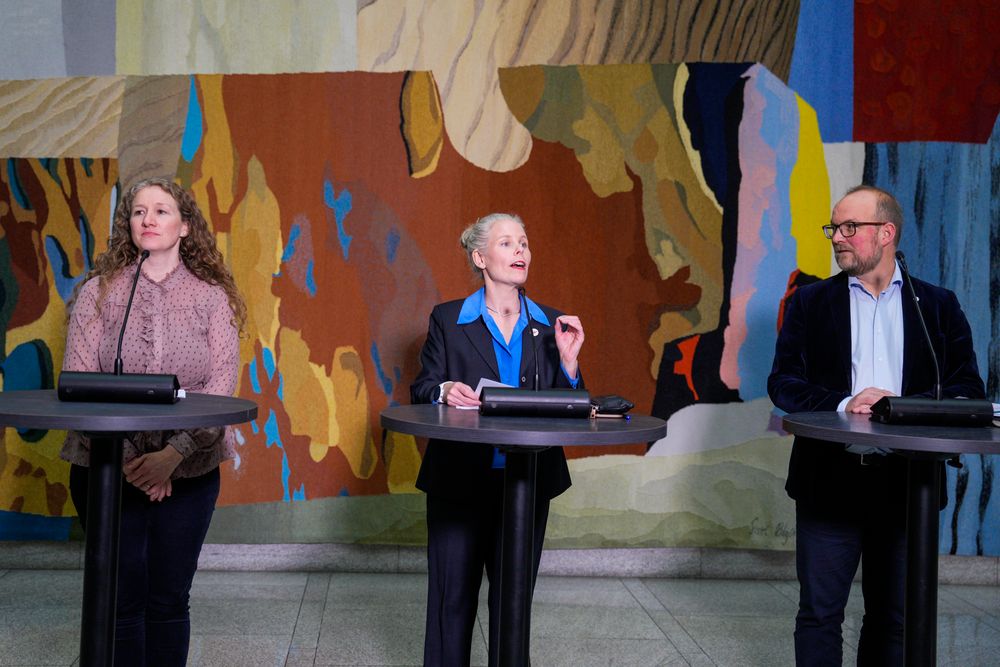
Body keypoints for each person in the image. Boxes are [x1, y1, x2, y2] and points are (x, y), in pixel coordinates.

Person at [767, 185, 985, 665]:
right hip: (828, 482)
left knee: (894, 618)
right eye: (834, 228)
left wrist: (900, 406)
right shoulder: (809, 303)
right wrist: (848, 402)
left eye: (849, 227)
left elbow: (967, 386)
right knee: (819, 614)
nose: (837, 238)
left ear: (886, 232)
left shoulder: (938, 306)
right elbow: (783, 384)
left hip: (909, 487)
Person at [61, 177, 246, 666]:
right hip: (104, 466)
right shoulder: (98, 294)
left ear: (185, 226)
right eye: (139, 211)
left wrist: (171, 457)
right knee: (120, 600)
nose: (148, 220)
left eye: (161, 211)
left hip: (189, 470)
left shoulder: (212, 298)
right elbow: (78, 383)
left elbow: (220, 391)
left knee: (167, 599)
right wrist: (134, 463)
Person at [411, 212, 585, 666]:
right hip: (459, 483)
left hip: (527, 484)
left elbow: (567, 408)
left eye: (524, 243)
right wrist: (446, 389)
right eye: (508, 243)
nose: (520, 251)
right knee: (451, 607)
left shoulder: (550, 323)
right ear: (480, 257)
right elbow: (423, 387)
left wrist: (568, 365)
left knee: (513, 609)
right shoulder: (448, 319)